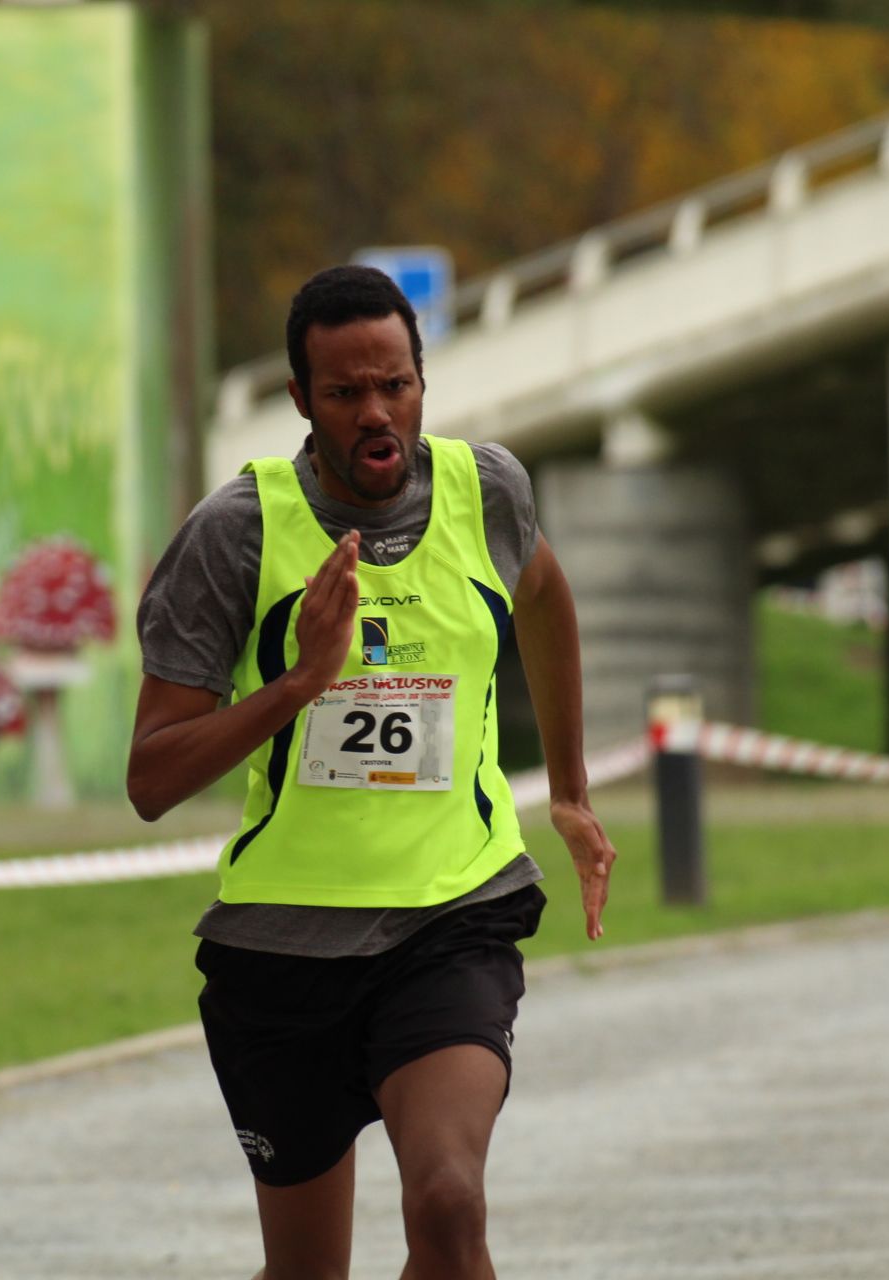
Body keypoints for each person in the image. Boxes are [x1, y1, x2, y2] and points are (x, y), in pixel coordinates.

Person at [129, 264, 615, 1279]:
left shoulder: (487, 492)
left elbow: (545, 598)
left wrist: (567, 789)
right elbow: (152, 775)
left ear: (423, 380)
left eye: (395, 383)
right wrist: (300, 681)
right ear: (302, 400)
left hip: (452, 916)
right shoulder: (237, 535)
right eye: (346, 392)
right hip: (281, 948)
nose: (376, 411)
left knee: (448, 1204)